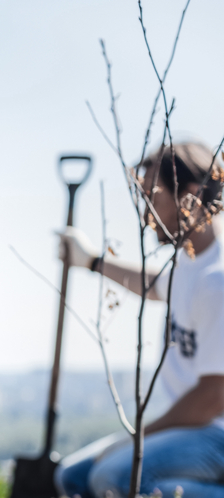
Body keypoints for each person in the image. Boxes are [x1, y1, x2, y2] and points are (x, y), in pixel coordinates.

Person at [55, 142, 224, 498]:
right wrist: (92, 262)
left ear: (190, 197)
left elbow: (214, 396)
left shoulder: (217, 280)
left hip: (215, 431)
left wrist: (136, 437)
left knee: (114, 479)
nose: (147, 215)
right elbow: (154, 285)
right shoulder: (190, 262)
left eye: (153, 199)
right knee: (72, 477)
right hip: (192, 428)